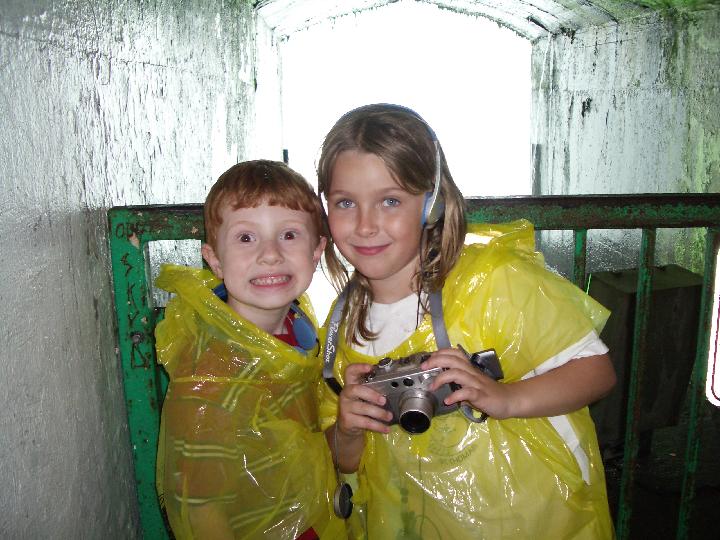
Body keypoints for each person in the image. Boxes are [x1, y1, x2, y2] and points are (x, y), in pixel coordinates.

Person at [317, 104, 617, 539]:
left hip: (533, 520)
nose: (365, 225)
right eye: (345, 202)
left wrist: (505, 397)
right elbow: (343, 458)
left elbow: (597, 372)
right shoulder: (341, 327)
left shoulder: (494, 281)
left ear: (432, 203)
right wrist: (346, 429)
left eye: (390, 200)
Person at [154, 160, 345, 540]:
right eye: (246, 238)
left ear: (317, 250)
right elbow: (199, 504)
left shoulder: (298, 322)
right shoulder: (211, 370)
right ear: (214, 260)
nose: (270, 254)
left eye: (289, 235)